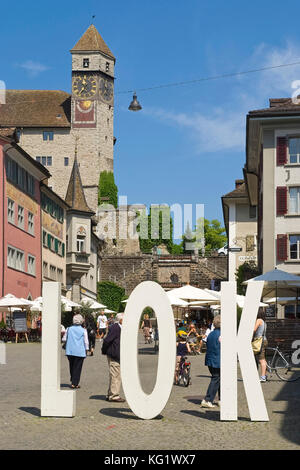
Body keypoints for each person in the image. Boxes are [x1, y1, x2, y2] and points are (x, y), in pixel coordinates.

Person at [102, 312, 125, 403]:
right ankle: (114, 395)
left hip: (115, 354)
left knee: (114, 374)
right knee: (116, 375)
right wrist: (105, 350)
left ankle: (110, 394)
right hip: (114, 354)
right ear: (121, 320)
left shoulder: (119, 327)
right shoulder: (115, 328)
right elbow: (107, 340)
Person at [62, 314, 89, 389]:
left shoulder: (68, 329)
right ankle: (75, 383)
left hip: (70, 351)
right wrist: (87, 349)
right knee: (78, 367)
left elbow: (64, 339)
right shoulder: (83, 330)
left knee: (72, 366)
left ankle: (73, 380)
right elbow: (86, 341)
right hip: (80, 351)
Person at [201, 315, 221, 408]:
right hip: (218, 360)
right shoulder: (222, 334)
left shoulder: (211, 334)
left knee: (219, 379)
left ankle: (221, 399)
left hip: (210, 360)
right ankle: (207, 399)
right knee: (216, 379)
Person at [253, 310, 268, 382]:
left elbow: (254, 330)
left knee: (261, 359)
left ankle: (263, 377)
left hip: (259, 341)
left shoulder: (259, 320)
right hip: (264, 340)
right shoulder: (264, 322)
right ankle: (264, 375)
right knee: (263, 359)